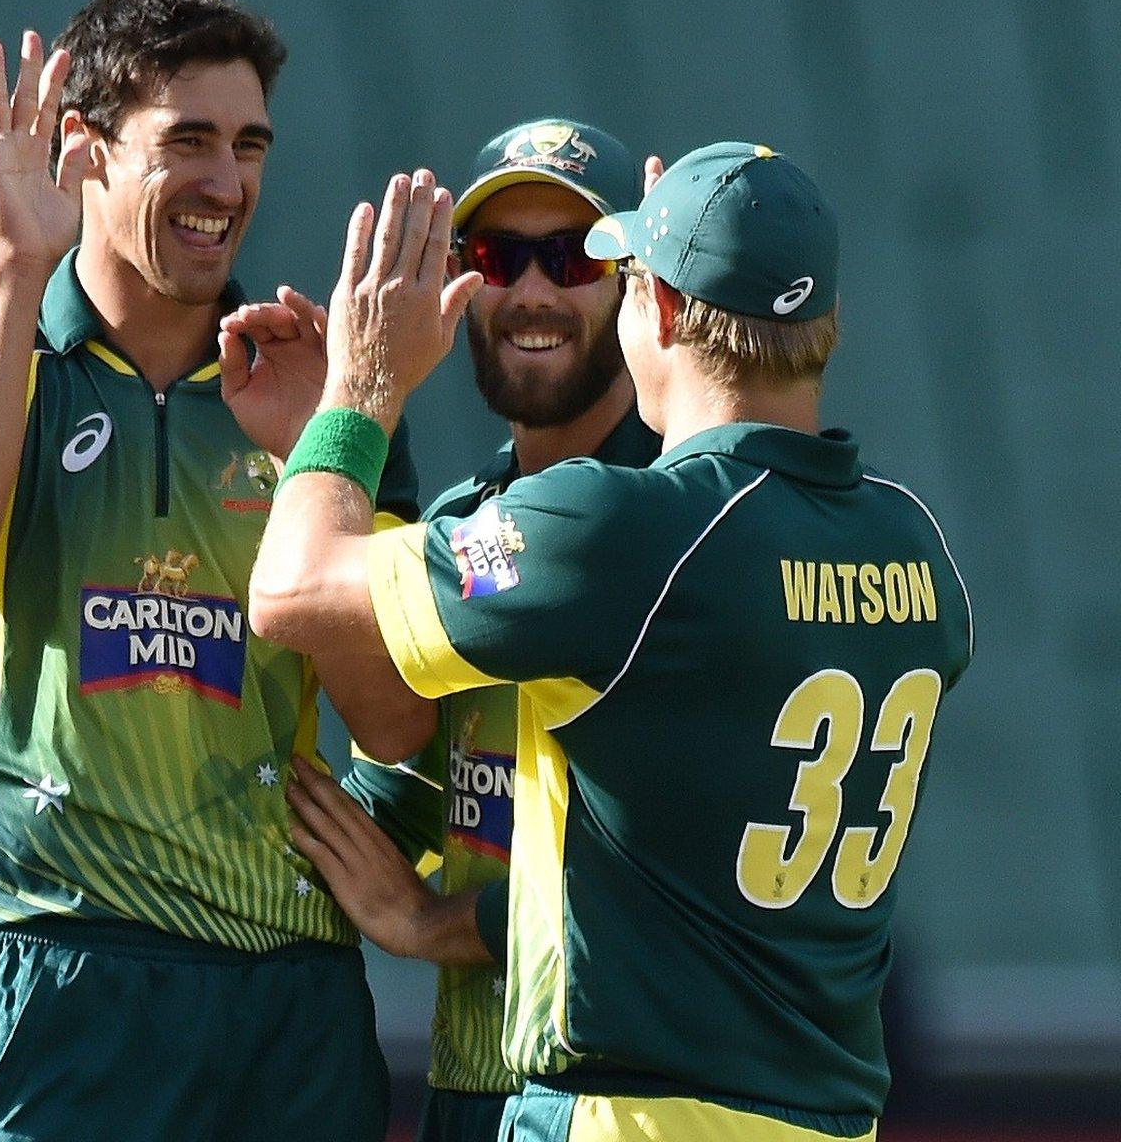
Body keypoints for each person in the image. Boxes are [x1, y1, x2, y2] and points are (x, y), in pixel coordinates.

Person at [249, 148, 972, 1139]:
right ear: (823, 329)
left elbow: (290, 588)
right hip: (824, 1117)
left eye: (624, 278)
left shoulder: (623, 529)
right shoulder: (916, 550)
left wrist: (360, 388)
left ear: (662, 315)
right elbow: (675, 870)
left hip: (630, 1113)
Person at [0, 0, 421, 1138]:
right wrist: (14, 266)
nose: (226, 184)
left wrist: (326, 452)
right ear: (82, 151)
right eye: (186, 143)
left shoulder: (321, 394)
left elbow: (397, 724)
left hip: (287, 987)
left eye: (247, 144)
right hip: (56, 959)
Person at [227, 117, 654, 1142]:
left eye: (575, 256)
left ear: (638, 284)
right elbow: (413, 789)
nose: (534, 292)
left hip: (626, 1105)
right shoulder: (466, 523)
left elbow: (671, 887)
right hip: (472, 1097)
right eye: (498, 259)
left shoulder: (681, 518)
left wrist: (429, 923)